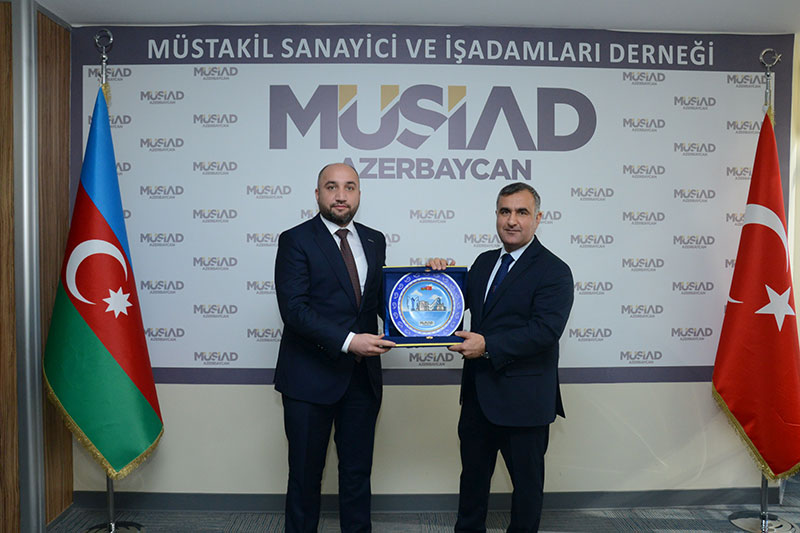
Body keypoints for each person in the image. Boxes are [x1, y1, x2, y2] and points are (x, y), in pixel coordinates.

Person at [274, 162, 395, 533]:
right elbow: (294, 310)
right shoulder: (295, 239)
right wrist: (350, 341)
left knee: (357, 474)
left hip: (361, 381)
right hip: (308, 380)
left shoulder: (374, 240)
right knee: (305, 476)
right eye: (332, 187)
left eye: (349, 187)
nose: (341, 195)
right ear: (317, 194)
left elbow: (382, 302)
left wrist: (428, 281)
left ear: (359, 194)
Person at [449, 182, 574, 533]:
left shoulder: (554, 270)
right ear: (497, 215)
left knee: (526, 490)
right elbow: (450, 304)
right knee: (472, 484)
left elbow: (544, 331)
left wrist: (487, 345)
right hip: (478, 397)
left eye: (521, 212)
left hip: (525, 402)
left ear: (538, 218)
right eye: (505, 211)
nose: (512, 220)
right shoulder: (484, 262)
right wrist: (436, 276)